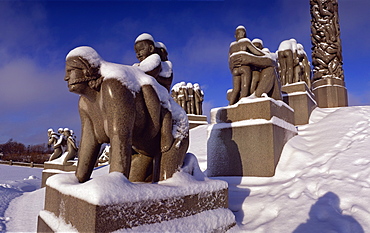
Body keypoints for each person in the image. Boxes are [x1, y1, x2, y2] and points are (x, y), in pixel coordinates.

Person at [228, 26, 266, 105]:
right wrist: (266, 55)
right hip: (245, 68)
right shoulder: (246, 42)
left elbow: (229, 60)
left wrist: (232, 69)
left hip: (235, 70)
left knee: (236, 89)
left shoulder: (232, 46)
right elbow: (257, 52)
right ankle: (242, 105)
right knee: (245, 87)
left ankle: (231, 105)